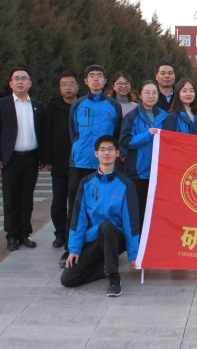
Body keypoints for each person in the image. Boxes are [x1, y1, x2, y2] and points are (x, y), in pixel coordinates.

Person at [61, 135, 140, 297]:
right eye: (102, 150)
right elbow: (78, 219)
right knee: (68, 279)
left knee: (106, 225)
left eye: (110, 149)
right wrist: (74, 249)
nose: (107, 153)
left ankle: (113, 276)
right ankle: (103, 268)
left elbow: (130, 222)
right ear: (96, 153)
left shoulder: (126, 184)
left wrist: (133, 253)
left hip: (115, 238)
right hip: (95, 239)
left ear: (117, 153)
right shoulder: (86, 183)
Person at [61, 65, 122, 267]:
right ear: (86, 81)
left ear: (105, 81)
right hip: (80, 163)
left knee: (102, 206)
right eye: (91, 76)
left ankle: (102, 247)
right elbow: (73, 133)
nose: (96, 79)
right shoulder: (78, 104)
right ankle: (69, 249)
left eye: (99, 76)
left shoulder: (113, 105)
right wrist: (80, 149)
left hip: (103, 164)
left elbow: (116, 134)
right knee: (75, 207)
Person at [0, 67, 44, 251]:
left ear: (30, 83)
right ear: (11, 83)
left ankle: (24, 233)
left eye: (24, 78)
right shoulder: (1, 104)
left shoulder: (38, 105)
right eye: (17, 78)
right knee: (11, 199)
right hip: (11, 159)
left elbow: (42, 133)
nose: (20, 82)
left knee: (27, 199)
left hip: (31, 158)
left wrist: (43, 158)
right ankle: (11, 235)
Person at [120, 81, 168, 230]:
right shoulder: (132, 116)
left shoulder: (165, 116)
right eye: (147, 92)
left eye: (154, 92)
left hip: (159, 172)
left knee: (156, 210)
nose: (151, 96)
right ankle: (138, 241)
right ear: (140, 95)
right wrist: (147, 134)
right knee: (139, 209)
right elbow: (125, 141)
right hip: (138, 172)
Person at [42, 71, 78, 248]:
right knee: (58, 201)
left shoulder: (82, 105)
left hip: (80, 163)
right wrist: (46, 159)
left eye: (71, 84)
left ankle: (75, 235)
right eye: (64, 84)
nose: (68, 87)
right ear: (59, 87)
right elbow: (45, 134)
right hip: (59, 161)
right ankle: (60, 234)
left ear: (78, 86)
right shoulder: (53, 107)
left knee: (77, 201)